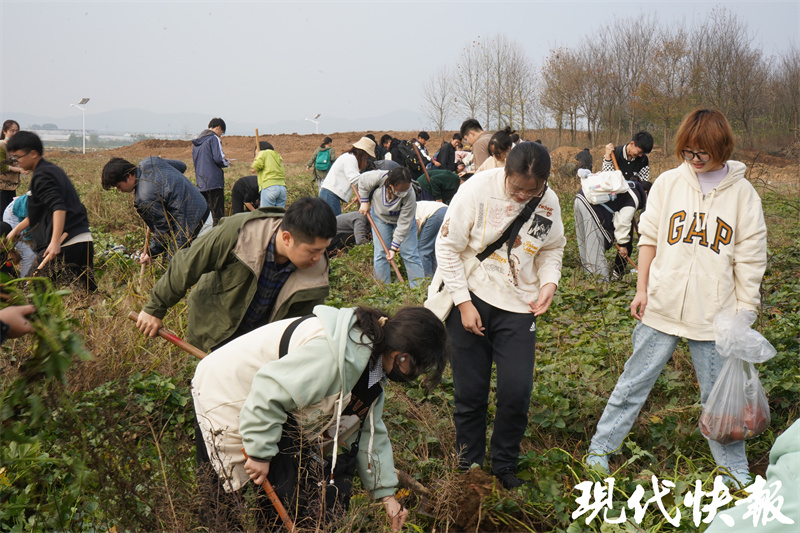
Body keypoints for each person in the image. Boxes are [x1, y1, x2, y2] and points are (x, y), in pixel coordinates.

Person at [586, 109, 768, 488]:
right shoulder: (669, 183)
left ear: (721, 147)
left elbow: (751, 258)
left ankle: (734, 471)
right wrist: (642, 289)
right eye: (688, 152)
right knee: (634, 381)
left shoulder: (742, 195)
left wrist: (744, 311)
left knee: (720, 398)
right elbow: (649, 238)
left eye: (702, 153)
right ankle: (600, 450)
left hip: (714, 314)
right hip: (663, 304)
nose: (695, 160)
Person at [193, 304, 449, 531]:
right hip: (228, 391)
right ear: (401, 354)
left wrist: (387, 495)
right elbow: (270, 390)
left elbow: (370, 431)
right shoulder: (334, 354)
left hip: (273, 406)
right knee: (222, 500)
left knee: (286, 498)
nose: (415, 375)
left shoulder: (373, 367)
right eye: (418, 367)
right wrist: (259, 452)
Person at [430, 141, 566, 488]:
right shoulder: (476, 188)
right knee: (471, 393)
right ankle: (469, 468)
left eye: (530, 191)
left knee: (516, 391)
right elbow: (447, 247)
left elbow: (552, 248)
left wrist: (550, 283)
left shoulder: (548, 203)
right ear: (505, 172)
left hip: (519, 305)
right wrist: (463, 303)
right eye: (516, 188)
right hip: (472, 296)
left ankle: (504, 465)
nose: (522, 196)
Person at [136, 196, 337, 352]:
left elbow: (302, 323)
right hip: (216, 328)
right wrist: (154, 309)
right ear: (287, 238)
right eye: (313, 251)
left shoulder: (317, 270)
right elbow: (187, 264)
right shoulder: (240, 232)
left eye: (323, 250)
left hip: (260, 343)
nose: (319, 258)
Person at [6, 131, 96, 291]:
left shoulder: (42, 176)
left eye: (18, 157)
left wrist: (54, 243)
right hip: (82, 239)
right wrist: (16, 231)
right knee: (86, 292)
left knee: (32, 292)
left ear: (33, 154)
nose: (16, 162)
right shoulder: (50, 170)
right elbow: (38, 214)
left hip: (65, 241)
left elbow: (58, 207)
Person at [101, 157, 212, 263]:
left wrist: (151, 252)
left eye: (119, 186)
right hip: (204, 209)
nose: (119, 190)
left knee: (175, 268)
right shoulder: (151, 162)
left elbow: (164, 230)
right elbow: (181, 166)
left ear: (128, 176)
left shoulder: (144, 198)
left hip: (193, 226)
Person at [358, 167, 424, 288]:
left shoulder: (410, 194)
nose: (403, 193)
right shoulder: (379, 178)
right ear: (391, 185)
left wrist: (394, 248)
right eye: (399, 190)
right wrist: (364, 201)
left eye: (406, 189)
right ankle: (383, 291)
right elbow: (362, 180)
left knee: (410, 254)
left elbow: (404, 223)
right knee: (381, 253)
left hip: (403, 221)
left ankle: (418, 290)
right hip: (380, 218)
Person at [574, 179, 650, 281]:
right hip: (592, 206)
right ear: (646, 193)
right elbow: (623, 222)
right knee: (595, 248)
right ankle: (601, 285)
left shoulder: (628, 186)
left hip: (580, 198)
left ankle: (587, 278)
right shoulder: (635, 195)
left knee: (586, 244)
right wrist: (623, 245)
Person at [319, 137, 375, 216]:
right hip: (330, 195)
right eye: (367, 156)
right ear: (363, 153)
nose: (366, 159)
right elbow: (355, 179)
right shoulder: (350, 158)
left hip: (329, 194)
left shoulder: (349, 157)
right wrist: (373, 180)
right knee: (335, 224)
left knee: (330, 224)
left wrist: (361, 194)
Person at [192, 117, 230, 224]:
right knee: (218, 215)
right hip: (214, 182)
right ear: (218, 128)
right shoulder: (214, 138)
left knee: (205, 216)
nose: (220, 135)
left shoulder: (197, 142)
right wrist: (226, 162)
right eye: (221, 133)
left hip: (201, 182)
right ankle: (218, 239)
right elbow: (218, 158)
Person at [2, 194, 35, 276]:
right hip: (16, 215)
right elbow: (33, 217)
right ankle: (25, 285)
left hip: (28, 216)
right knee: (29, 254)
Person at [415, 200, 447, 277]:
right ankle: (437, 280)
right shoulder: (414, 204)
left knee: (423, 250)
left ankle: (427, 281)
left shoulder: (406, 210)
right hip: (447, 211)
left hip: (435, 214)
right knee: (435, 250)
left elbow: (416, 224)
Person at [251, 141, 287, 208]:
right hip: (282, 188)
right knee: (280, 215)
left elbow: (253, 169)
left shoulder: (262, 153)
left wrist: (257, 155)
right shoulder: (276, 155)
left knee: (266, 215)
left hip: (269, 187)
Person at [0, 120, 23, 215]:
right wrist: (19, 170)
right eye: (12, 131)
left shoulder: (14, 147)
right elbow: (1, 166)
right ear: (4, 131)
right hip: (2, 186)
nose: (15, 133)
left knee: (8, 212)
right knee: (2, 213)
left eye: (17, 131)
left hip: (10, 185)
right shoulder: (1, 145)